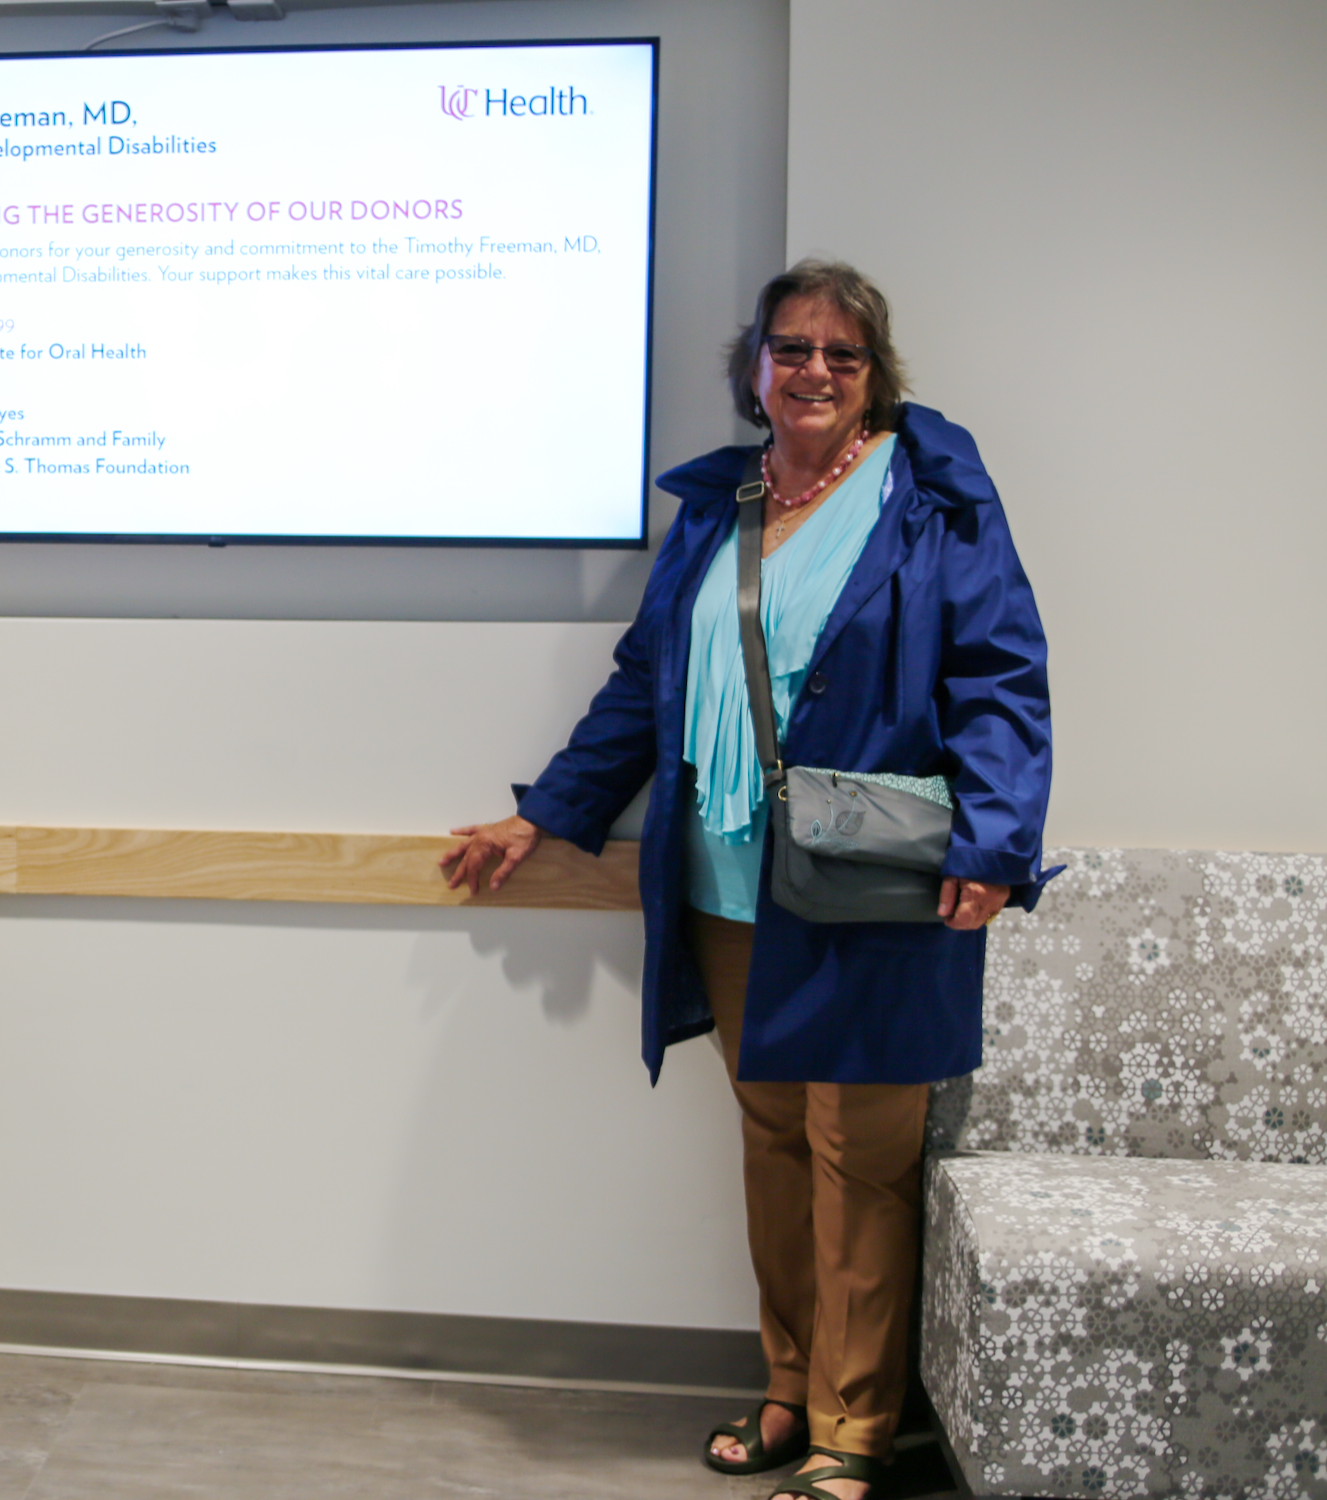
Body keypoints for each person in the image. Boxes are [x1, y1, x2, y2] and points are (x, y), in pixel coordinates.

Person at [440, 261, 1051, 1500]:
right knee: (772, 1138)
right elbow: (640, 683)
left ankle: (855, 1428)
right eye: (790, 349)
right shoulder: (718, 506)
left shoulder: (927, 499)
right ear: (754, 370)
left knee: (860, 1155)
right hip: (723, 877)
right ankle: (789, 1384)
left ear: (874, 375)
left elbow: (999, 675)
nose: (812, 371)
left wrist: (994, 846)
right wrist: (543, 815)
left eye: (841, 353)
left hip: (871, 880)